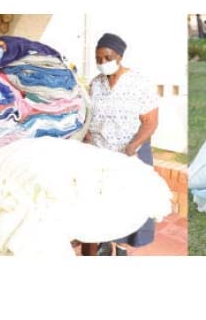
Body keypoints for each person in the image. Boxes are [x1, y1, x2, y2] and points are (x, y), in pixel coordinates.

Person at [84, 33, 159, 256]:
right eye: (98, 58)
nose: (102, 63)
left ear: (119, 56)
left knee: (129, 202)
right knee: (103, 200)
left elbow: (151, 122)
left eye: (107, 57)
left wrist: (132, 146)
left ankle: (123, 246)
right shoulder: (95, 84)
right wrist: (87, 137)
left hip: (130, 152)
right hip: (101, 152)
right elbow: (90, 116)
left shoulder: (139, 83)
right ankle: (106, 242)